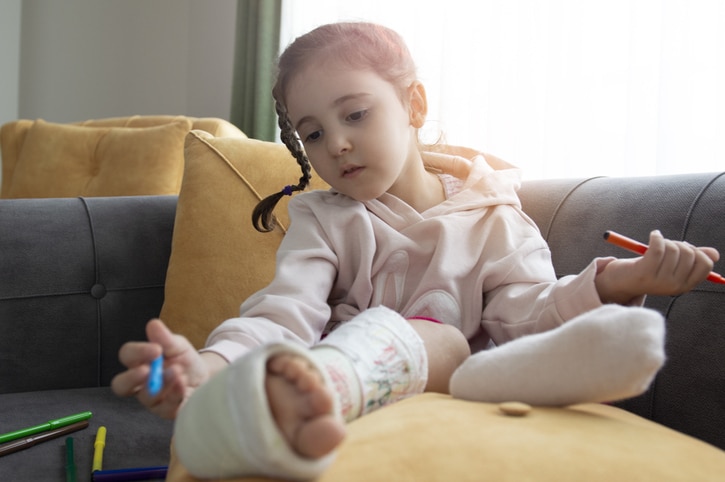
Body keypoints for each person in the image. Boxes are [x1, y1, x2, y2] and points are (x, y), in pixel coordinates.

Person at [111, 21, 720, 480]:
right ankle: (292, 395)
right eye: (314, 133)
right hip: (343, 387)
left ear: (414, 106)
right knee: (424, 338)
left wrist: (616, 282)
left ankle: (595, 354)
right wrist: (209, 369)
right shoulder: (323, 219)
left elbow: (526, 314)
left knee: (464, 344)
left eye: (355, 114)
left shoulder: (496, 216)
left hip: (461, 382)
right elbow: (282, 315)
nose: (338, 145)